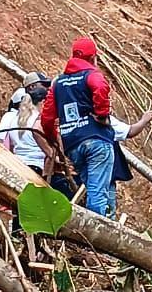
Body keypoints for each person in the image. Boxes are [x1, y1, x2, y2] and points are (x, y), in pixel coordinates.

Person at [40, 38, 117, 216]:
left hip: (72, 144)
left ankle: (90, 227)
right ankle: (98, 233)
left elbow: (47, 117)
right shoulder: (92, 75)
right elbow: (100, 86)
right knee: (98, 193)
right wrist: (102, 114)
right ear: (93, 58)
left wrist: (53, 138)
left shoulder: (58, 83)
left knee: (91, 189)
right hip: (96, 141)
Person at [107, 109, 152, 213]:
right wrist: (144, 120)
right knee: (107, 208)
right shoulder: (105, 120)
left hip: (81, 173)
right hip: (107, 175)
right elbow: (130, 131)